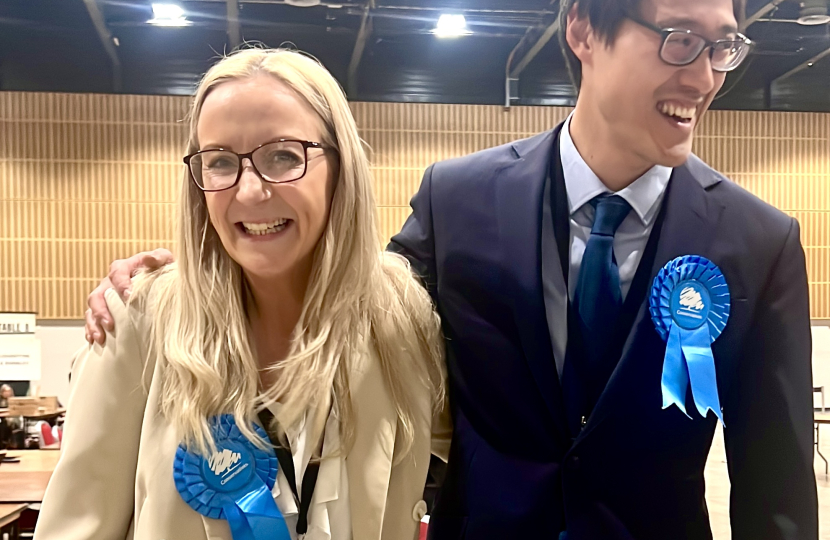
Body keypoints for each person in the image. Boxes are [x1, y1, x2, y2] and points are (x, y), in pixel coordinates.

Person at [87, 0, 820, 538]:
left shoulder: (759, 241)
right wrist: (208, 263)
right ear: (584, 29)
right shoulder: (458, 198)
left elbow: (778, 491)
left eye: (722, 48)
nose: (703, 76)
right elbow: (347, 301)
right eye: (679, 40)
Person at [38, 48, 447, 540]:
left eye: (283, 156)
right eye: (221, 162)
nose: (250, 192)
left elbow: (498, 444)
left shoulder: (402, 319)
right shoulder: (140, 324)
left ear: (341, 169)